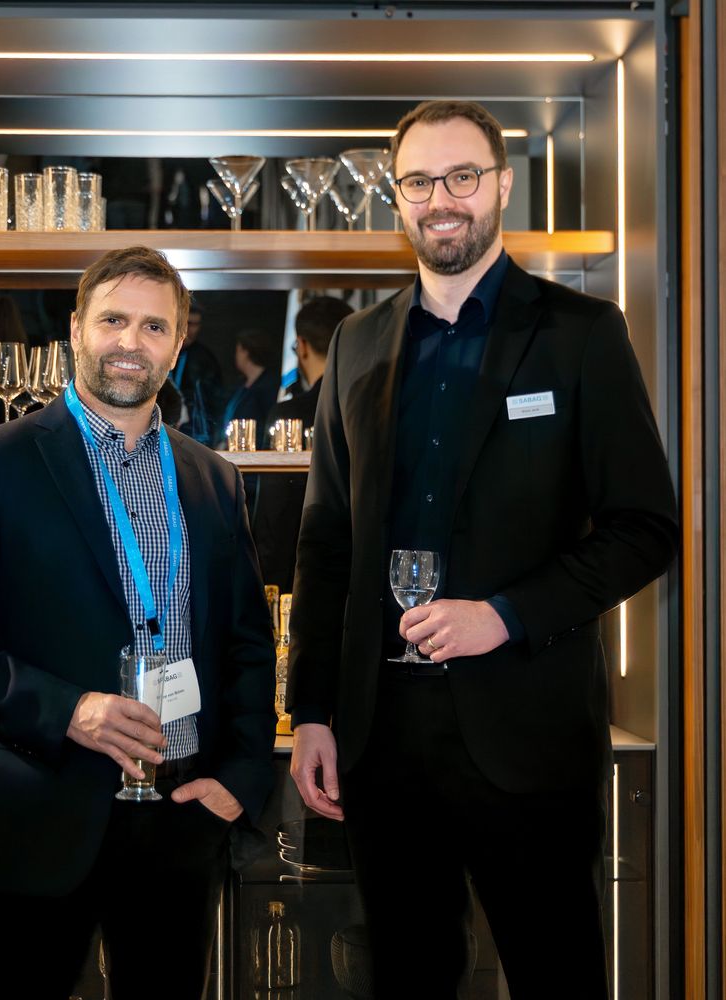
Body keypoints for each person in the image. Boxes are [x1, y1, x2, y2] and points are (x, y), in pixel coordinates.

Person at [286, 100, 678, 1000]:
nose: (441, 199)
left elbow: (645, 528)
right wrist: (311, 710)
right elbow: (325, 542)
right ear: (398, 198)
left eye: (462, 176)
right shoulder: (355, 343)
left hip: (527, 734)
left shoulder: (582, 333)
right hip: (382, 738)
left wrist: (502, 616)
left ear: (502, 186)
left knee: (556, 977)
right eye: (419, 182)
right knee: (404, 978)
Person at [0, 246, 276, 1000]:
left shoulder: (212, 477)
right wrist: (69, 710)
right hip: (38, 816)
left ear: (178, 342)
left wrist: (239, 780)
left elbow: (247, 643)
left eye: (154, 326)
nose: (131, 341)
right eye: (113, 320)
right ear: (75, 329)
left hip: (181, 820)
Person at [253, 295, 353, 592]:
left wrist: (264, 581)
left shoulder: (289, 415)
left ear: (303, 345)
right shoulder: (374, 410)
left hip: (296, 571)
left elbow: (274, 513)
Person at [170, 302, 224, 445]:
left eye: (196, 324)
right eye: (188, 323)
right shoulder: (163, 351)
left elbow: (215, 401)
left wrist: (214, 436)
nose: (190, 329)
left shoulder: (204, 358)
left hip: (196, 433)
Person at [222, 328, 281, 448]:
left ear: (246, 352)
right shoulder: (242, 385)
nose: (235, 356)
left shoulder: (268, 386)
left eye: (238, 350)